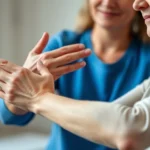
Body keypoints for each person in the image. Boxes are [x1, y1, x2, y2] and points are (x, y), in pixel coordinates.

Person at [0, 0, 150, 150]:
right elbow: (9, 116)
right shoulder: (64, 44)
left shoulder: (146, 57)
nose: (108, 2)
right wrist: (21, 89)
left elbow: (130, 130)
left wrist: (35, 96)